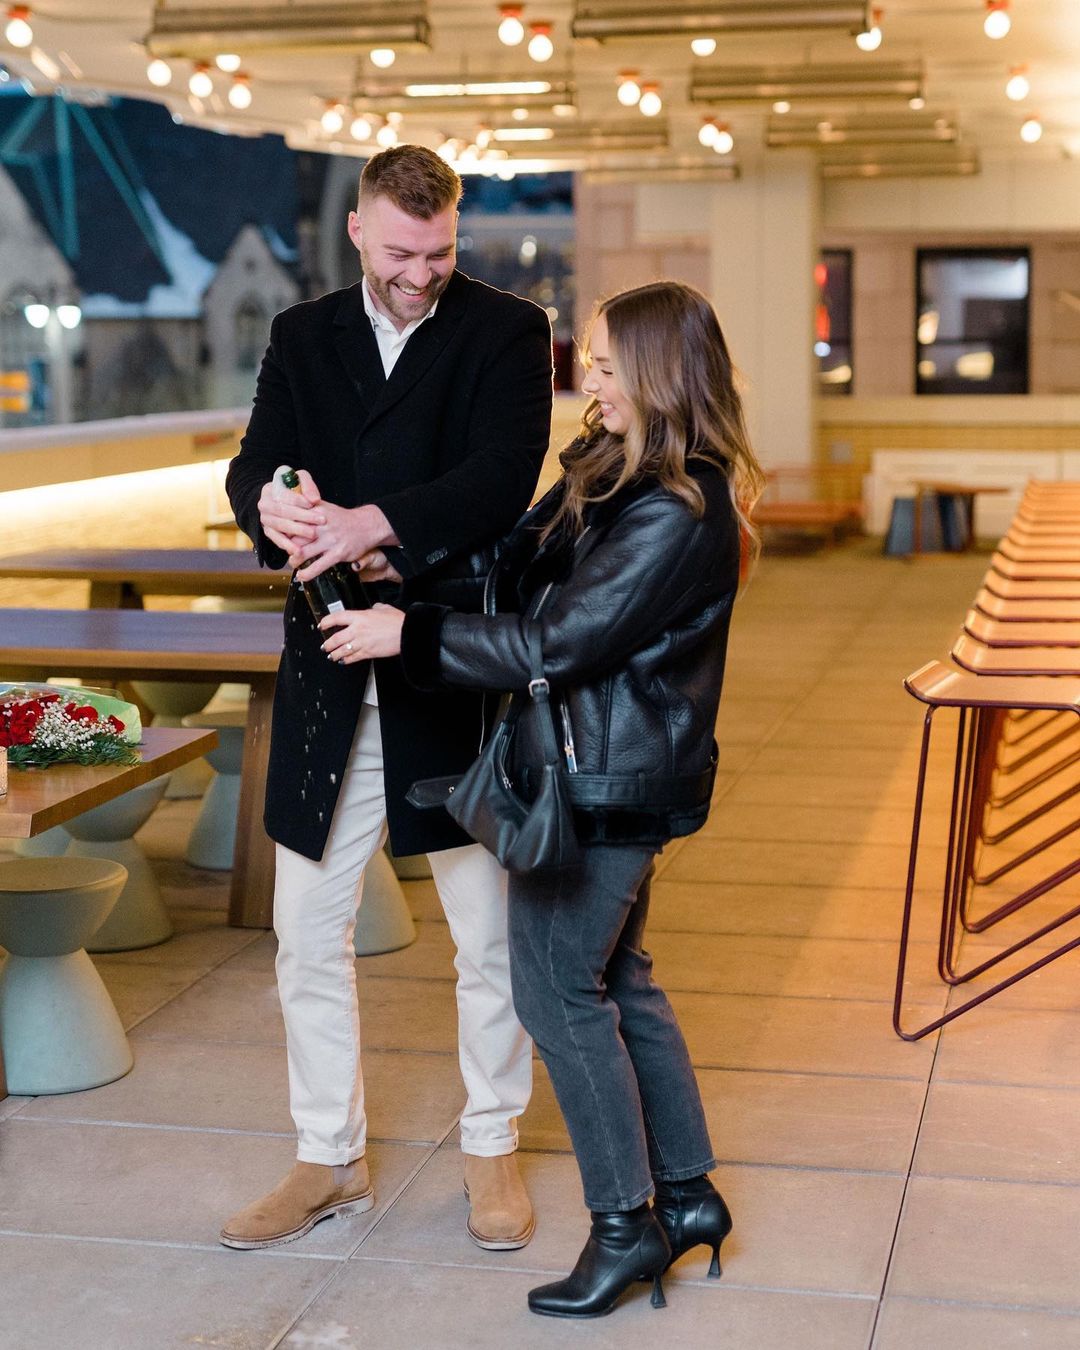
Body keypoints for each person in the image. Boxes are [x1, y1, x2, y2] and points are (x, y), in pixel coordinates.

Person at [323, 280, 765, 1317]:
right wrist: (399, 576)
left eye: (606, 365)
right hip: (600, 769)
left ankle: (625, 1226)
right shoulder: (613, 468)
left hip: (606, 783)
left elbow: (560, 642)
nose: (588, 381)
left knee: (558, 991)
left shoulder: (679, 507)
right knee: (620, 980)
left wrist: (408, 637)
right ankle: (687, 1194)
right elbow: (513, 567)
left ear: (659, 373)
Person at [221, 144, 553, 1252]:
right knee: (304, 934)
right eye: (401, 253)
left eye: (440, 252)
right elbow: (255, 463)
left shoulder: (506, 330)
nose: (419, 275)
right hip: (327, 666)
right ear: (358, 229)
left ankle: (491, 1145)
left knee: (488, 937)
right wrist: (271, 508)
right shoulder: (299, 333)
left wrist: (379, 524)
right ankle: (328, 1156)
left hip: (447, 669)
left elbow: (502, 479)